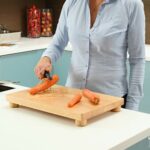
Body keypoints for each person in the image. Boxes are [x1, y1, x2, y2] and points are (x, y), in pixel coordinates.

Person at [35, 0, 145, 111]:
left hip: (112, 103)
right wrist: (46, 58)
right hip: (73, 99)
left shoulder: (132, 4)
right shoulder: (72, 3)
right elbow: (58, 43)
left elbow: (137, 60)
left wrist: (132, 107)